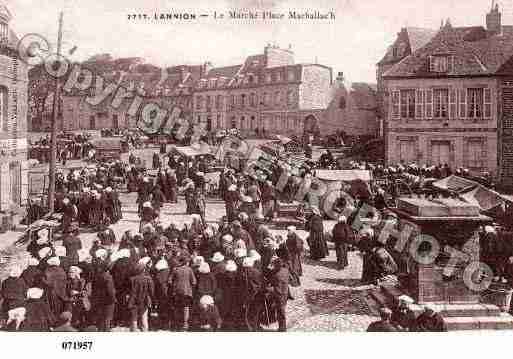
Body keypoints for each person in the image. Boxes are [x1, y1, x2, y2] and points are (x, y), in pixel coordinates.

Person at [169, 256, 197, 331]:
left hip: (177, 292)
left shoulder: (175, 269)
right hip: (186, 292)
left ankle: (176, 323)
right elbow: (194, 282)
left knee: (177, 308)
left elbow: (169, 281)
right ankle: (185, 324)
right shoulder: (189, 270)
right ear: (186, 262)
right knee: (186, 308)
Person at [127, 258, 155, 332]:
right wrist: (153, 300)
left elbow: (128, 291)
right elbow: (151, 291)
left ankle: (133, 331)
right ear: (144, 270)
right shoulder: (148, 279)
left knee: (134, 318)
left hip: (134, 301)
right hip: (144, 300)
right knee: (144, 318)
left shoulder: (132, 279)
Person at [90, 261, 116, 332]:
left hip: (99, 300)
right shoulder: (108, 277)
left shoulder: (97, 276)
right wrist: (114, 299)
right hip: (108, 301)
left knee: (101, 319)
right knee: (107, 319)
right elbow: (110, 291)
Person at [268, 257, 289, 332]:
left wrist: (269, 289)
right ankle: (282, 327)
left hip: (280, 296)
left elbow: (277, 289)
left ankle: (282, 329)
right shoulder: (285, 270)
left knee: (280, 312)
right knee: (281, 311)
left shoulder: (277, 276)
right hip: (285, 293)